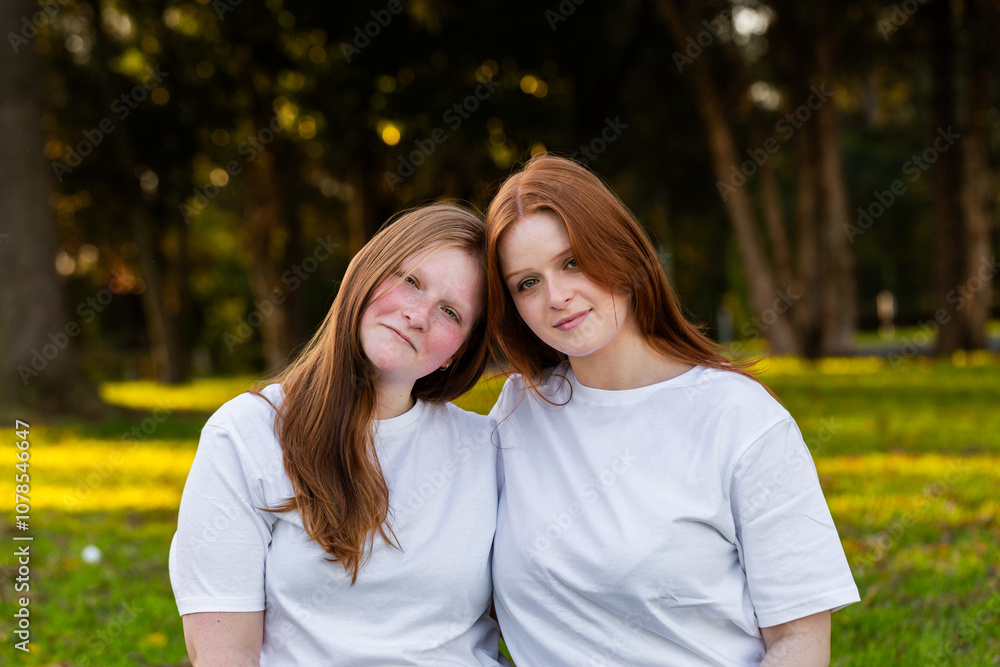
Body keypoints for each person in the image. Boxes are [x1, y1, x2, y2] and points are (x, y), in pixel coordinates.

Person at [485, 155, 859, 667]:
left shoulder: (740, 418)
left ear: (619, 252)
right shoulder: (517, 412)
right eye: (527, 283)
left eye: (572, 262)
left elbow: (800, 642)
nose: (557, 296)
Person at [169, 203, 508, 666]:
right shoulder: (247, 434)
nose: (419, 315)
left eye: (450, 312)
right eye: (410, 280)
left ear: (458, 352)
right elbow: (224, 654)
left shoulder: (488, 448)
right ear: (366, 274)